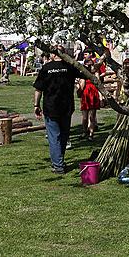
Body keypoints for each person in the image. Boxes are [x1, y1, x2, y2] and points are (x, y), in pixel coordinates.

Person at [32, 46, 84, 174]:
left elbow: (38, 89)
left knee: (54, 136)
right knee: (64, 135)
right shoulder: (70, 67)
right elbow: (85, 74)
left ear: (52, 55)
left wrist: (36, 105)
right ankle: (59, 161)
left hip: (51, 107)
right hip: (66, 106)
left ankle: (58, 165)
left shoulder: (46, 68)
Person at [77, 62, 101, 141]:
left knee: (91, 116)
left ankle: (90, 132)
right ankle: (86, 131)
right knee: (86, 116)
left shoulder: (94, 74)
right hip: (86, 95)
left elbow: (98, 82)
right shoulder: (83, 75)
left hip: (92, 94)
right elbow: (81, 85)